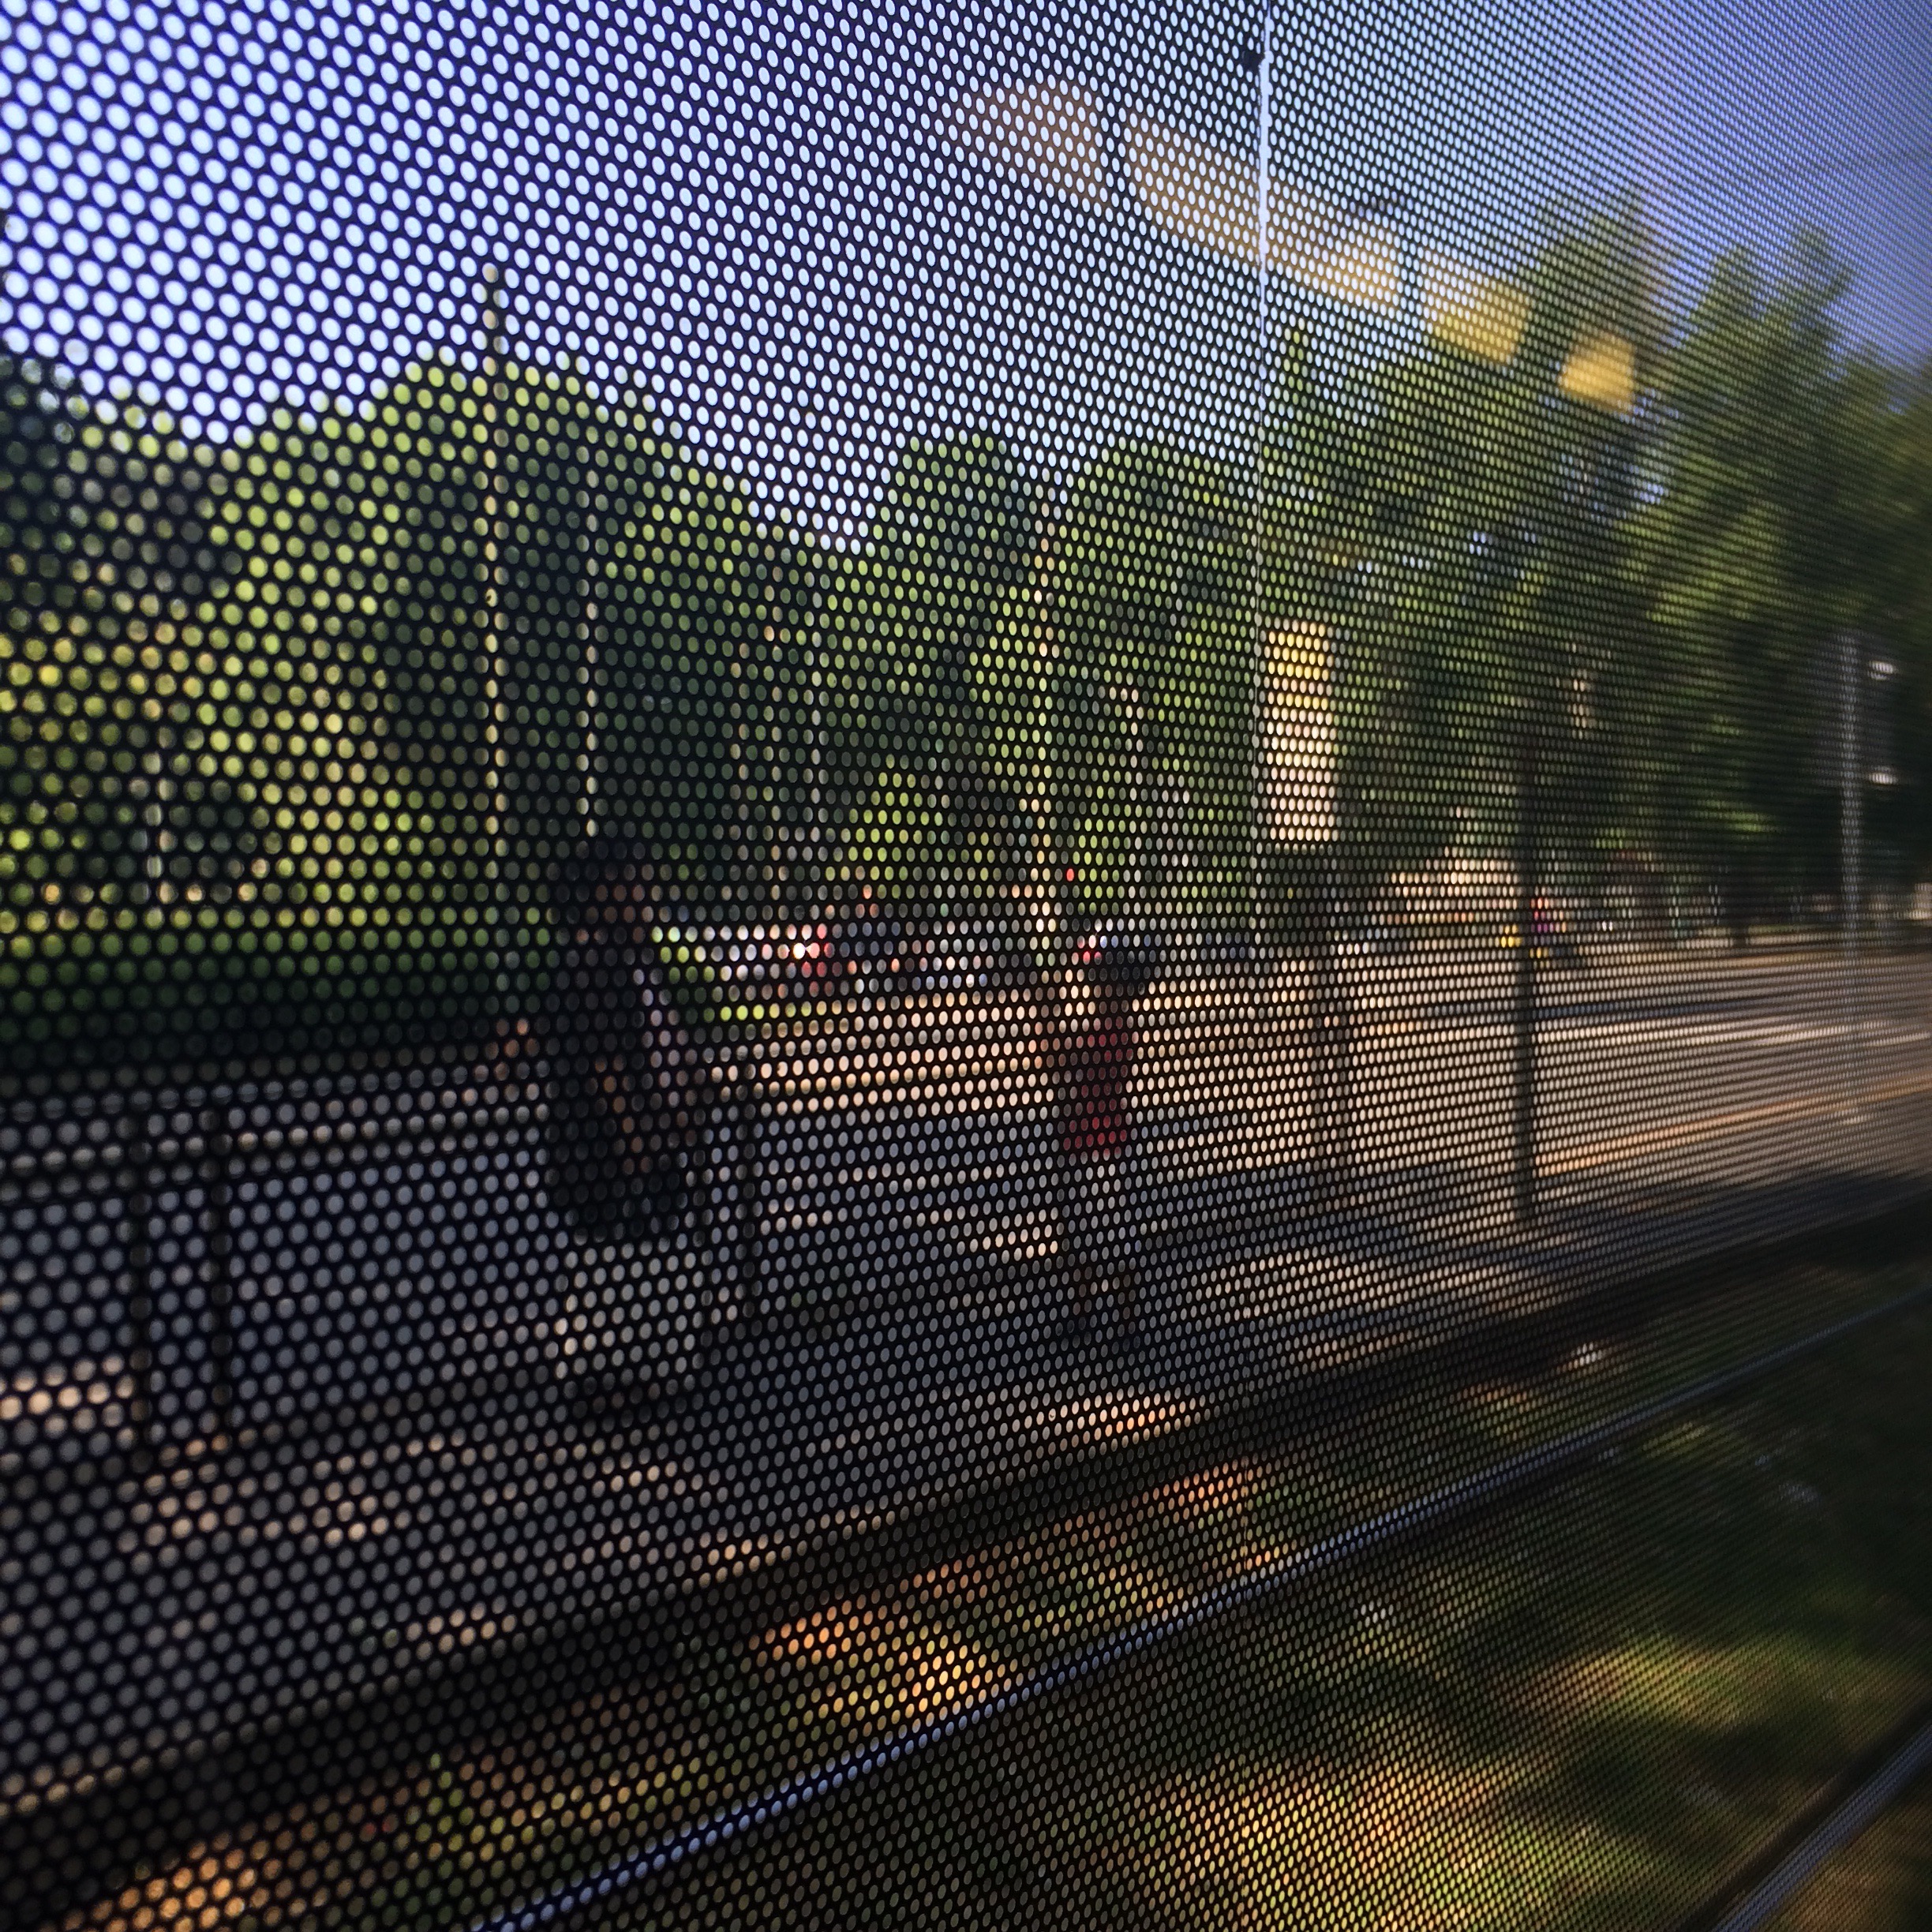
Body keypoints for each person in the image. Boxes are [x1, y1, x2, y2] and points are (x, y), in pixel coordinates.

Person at [542, 836, 727, 1403]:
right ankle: (612, 1375)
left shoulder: (629, 960)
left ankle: (626, 1371)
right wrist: (638, 1144)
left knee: (627, 1262)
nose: (649, 896)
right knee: (618, 1260)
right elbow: (608, 1067)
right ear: (607, 891)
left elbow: (655, 1041)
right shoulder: (595, 963)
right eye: (638, 883)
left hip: (642, 1146)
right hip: (613, 1155)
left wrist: (689, 1087)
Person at [1052, 934, 1156, 1354]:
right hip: (1085, 1144)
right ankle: (1084, 1314)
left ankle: (1125, 1323)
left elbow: (1074, 1064)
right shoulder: (1103, 1029)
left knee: (1114, 1239)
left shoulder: (1116, 1032)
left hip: (1104, 1148)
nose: (1097, 990)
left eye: (1104, 982)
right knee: (1082, 1238)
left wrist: (1054, 1030)